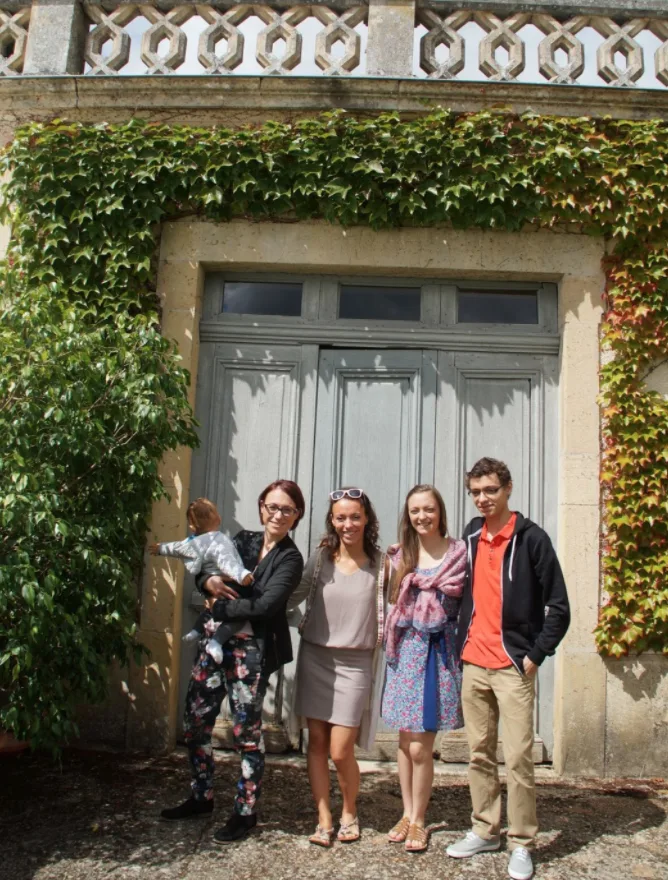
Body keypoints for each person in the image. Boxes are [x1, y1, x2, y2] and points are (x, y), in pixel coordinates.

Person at [160, 479, 305, 846]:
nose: (277, 514)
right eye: (272, 507)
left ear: (296, 516)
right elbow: (205, 562)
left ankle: (245, 811)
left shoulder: (290, 558)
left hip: (252, 653)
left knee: (247, 734)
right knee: (194, 722)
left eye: (286, 509)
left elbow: (266, 605)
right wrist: (207, 581)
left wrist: (222, 605)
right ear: (261, 508)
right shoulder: (242, 540)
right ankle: (201, 795)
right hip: (214, 644)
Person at [446, 458, 570, 880]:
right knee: (479, 753)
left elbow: (559, 608)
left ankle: (521, 842)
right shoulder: (470, 535)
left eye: (491, 490)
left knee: (517, 758)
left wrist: (534, 655)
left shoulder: (532, 539)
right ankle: (486, 830)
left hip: (513, 665)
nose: (483, 498)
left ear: (508, 489)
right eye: (476, 492)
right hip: (474, 663)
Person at [289, 488, 387, 848]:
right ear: (332, 520)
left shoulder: (382, 564)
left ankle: (349, 810)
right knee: (315, 742)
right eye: (341, 517)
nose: (348, 523)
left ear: (367, 519)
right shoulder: (319, 561)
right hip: (316, 656)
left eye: (355, 516)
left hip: (355, 662)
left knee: (341, 749)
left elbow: (402, 603)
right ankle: (324, 818)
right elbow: (289, 595)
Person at [382, 484, 466, 853]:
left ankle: (420, 819)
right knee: (404, 740)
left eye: (428, 509)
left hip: (437, 652)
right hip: (405, 652)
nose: (422, 516)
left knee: (421, 746)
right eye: (415, 510)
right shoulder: (400, 556)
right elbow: (387, 604)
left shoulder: (459, 553)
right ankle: (406, 812)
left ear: (440, 511)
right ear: (408, 515)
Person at [148, 497, 254, 663]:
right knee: (237, 618)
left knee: (210, 607)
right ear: (217, 518)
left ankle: (196, 631)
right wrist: (241, 574)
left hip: (214, 582)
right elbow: (227, 562)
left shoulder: (193, 542)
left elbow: (176, 548)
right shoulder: (218, 541)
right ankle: (216, 642)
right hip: (229, 584)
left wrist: (161, 548)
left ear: (191, 526)